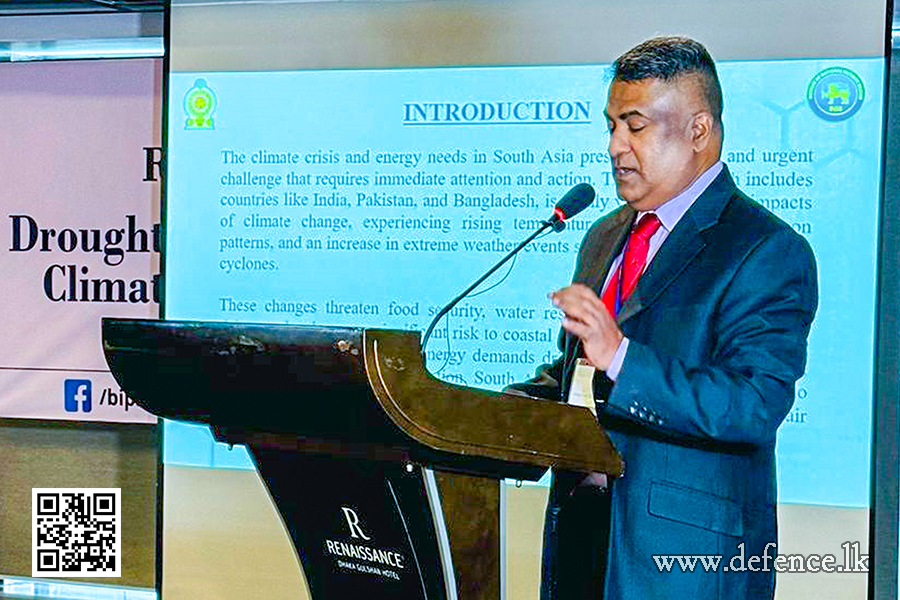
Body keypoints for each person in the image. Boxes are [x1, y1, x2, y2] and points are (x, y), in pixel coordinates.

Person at [511, 37, 818, 600]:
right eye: (610, 126)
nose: (615, 147)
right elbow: (580, 377)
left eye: (635, 126)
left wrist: (622, 357)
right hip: (586, 541)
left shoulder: (764, 250)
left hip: (684, 562)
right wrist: (504, 412)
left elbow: (752, 405)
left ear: (699, 130)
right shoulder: (605, 234)